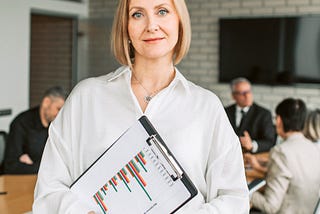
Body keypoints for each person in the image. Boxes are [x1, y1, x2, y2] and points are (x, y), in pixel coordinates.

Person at [32, 0, 249, 213]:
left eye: (162, 11)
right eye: (137, 14)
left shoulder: (206, 107)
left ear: (180, 22)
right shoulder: (86, 97)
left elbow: (234, 199)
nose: (151, 25)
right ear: (125, 27)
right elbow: (49, 191)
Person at [247, 98, 320, 213]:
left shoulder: (281, 151)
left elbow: (270, 206)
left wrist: (246, 192)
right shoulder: (314, 149)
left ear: (279, 120)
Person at [3, 86, 66, 174]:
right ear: (46, 102)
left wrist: (33, 165)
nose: (60, 115)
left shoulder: (58, 126)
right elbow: (10, 166)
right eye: (58, 109)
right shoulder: (21, 123)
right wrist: (42, 167)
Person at [225, 77, 276, 153]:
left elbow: (270, 142)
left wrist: (252, 145)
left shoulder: (264, 114)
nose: (247, 96)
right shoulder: (225, 111)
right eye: (242, 93)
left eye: (248, 91)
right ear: (233, 96)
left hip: (251, 159)